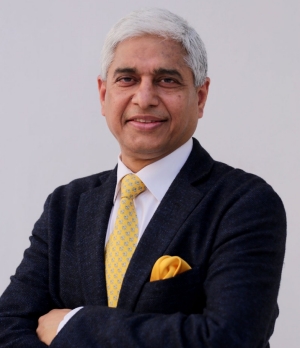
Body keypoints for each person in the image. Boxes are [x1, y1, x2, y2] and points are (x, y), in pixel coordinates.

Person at [0, 8, 286, 348]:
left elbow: (228, 338)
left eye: (167, 80)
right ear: (104, 95)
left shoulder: (244, 203)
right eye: (127, 79)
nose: (145, 98)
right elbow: (8, 324)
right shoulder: (67, 205)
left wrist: (74, 324)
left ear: (201, 96)